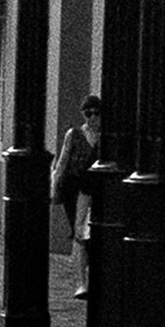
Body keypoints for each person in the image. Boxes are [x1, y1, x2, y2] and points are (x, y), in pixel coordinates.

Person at [55, 91, 101, 238]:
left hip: (95, 187)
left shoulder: (104, 137)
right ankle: (78, 258)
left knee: (90, 227)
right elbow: (63, 161)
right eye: (88, 114)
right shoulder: (74, 134)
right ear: (83, 114)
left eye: (96, 113)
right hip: (74, 185)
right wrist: (56, 184)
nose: (93, 117)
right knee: (78, 227)